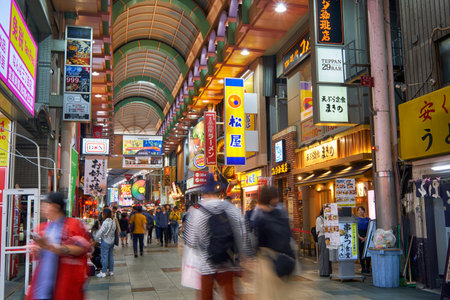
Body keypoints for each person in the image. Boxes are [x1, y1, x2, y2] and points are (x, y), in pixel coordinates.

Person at [184, 173, 245, 300]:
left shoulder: (196, 210)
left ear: (203, 192)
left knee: (206, 296)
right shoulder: (231, 208)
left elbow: (190, 241)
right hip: (226, 261)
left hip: (205, 264)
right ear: (218, 191)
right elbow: (242, 234)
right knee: (230, 295)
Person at [26, 192, 91, 300]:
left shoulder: (73, 225)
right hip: (42, 286)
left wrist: (56, 248)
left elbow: (83, 248)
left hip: (66, 285)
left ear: (55, 207)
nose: (43, 208)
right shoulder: (43, 228)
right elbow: (39, 253)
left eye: (46, 205)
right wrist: (36, 250)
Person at [251, 186, 294, 300]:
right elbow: (289, 234)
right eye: (276, 197)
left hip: (267, 259)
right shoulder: (281, 213)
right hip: (283, 258)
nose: (278, 200)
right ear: (271, 199)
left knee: (267, 294)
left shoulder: (259, 215)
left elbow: (255, 238)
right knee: (280, 293)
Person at [95, 208, 116, 278]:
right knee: (111, 256)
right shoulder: (113, 222)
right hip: (112, 241)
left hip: (105, 241)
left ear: (104, 214)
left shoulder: (105, 222)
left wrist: (96, 239)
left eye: (103, 213)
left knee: (104, 256)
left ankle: (104, 271)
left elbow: (101, 232)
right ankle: (111, 271)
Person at [316, 207, 331, 277]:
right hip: (322, 237)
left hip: (328, 237)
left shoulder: (328, 218)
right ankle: (323, 272)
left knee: (327, 254)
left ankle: (328, 271)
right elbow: (322, 229)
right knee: (323, 254)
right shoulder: (319, 219)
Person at [357, 206, 371, 273]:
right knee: (361, 252)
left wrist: (366, 237)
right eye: (359, 210)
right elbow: (355, 230)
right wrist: (360, 237)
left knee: (368, 252)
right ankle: (363, 267)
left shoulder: (368, 219)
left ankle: (368, 267)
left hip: (367, 236)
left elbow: (370, 229)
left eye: (362, 210)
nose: (360, 212)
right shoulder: (356, 219)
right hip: (359, 236)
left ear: (364, 211)